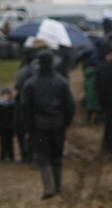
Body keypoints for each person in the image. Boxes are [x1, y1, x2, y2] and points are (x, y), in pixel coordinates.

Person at [18, 50, 75, 199]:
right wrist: (66, 122)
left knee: (43, 157)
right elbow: (69, 105)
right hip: (58, 125)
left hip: (39, 126)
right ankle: (58, 186)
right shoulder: (61, 81)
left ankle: (48, 187)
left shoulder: (30, 83)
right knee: (57, 155)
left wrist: (29, 126)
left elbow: (26, 107)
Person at [0, 87, 17, 163]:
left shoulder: (13, 105)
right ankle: (2, 157)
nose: (7, 97)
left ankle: (11, 157)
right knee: (3, 143)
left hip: (10, 128)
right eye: (5, 95)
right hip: (2, 128)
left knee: (10, 143)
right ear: (2, 96)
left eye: (8, 95)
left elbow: (14, 118)